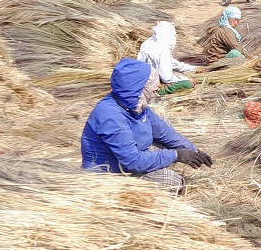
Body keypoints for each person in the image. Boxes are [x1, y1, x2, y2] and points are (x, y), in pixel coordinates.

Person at [80, 58, 213, 192]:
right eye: (153, 84)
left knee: (165, 123)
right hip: (111, 173)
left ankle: (155, 164)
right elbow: (133, 161)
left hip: (128, 159)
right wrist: (176, 155)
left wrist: (192, 151)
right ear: (137, 88)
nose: (158, 87)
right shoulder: (110, 117)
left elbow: (163, 131)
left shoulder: (133, 105)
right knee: (172, 182)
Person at [138, 21, 201, 95]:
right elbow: (167, 79)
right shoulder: (163, 51)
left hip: (141, 80)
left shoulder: (148, 43)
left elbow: (172, 63)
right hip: (151, 86)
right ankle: (160, 91)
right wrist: (186, 79)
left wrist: (193, 68)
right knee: (188, 84)